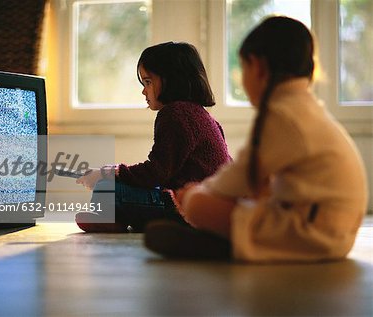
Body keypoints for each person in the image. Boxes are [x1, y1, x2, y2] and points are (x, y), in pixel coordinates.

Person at [144, 16, 368, 262]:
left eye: (242, 69)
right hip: (333, 231)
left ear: (258, 67)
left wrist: (198, 192)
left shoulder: (283, 115)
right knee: (244, 201)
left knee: (199, 203)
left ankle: (221, 246)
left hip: (312, 233)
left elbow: (243, 174)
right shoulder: (305, 108)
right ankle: (224, 242)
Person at [75, 41, 232, 233]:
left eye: (148, 82)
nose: (143, 90)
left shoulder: (176, 113)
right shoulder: (203, 116)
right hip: (199, 204)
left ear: (172, 80)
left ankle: (111, 217)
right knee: (115, 185)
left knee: (108, 188)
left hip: (182, 208)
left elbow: (156, 172)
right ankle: (116, 217)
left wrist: (109, 173)